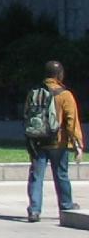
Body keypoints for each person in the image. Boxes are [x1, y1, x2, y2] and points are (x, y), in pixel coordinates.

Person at [24, 60, 83, 223]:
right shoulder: (65, 95)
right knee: (61, 174)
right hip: (58, 142)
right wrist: (77, 144)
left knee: (36, 176)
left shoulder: (34, 92)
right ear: (59, 75)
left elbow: (27, 115)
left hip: (37, 142)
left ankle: (34, 210)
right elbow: (71, 122)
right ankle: (66, 205)